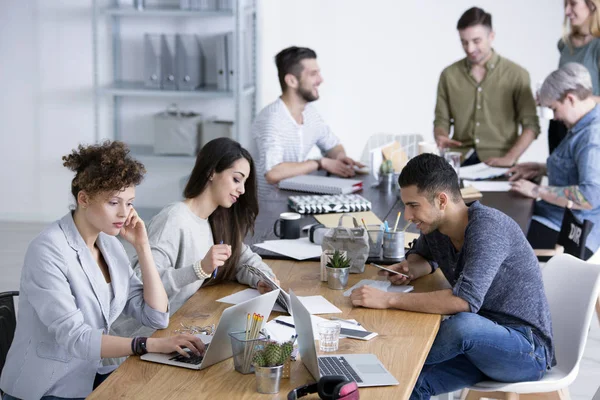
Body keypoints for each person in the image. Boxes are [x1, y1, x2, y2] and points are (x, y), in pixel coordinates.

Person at [0, 141, 205, 400]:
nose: (124, 213)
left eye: (129, 203)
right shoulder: (47, 250)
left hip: (91, 375)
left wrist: (142, 247)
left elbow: (156, 317)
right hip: (49, 389)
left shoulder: (109, 244)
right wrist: (148, 344)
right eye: (113, 202)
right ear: (83, 199)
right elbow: (76, 338)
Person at [350, 154, 554, 400]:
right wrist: (412, 267)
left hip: (525, 350)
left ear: (442, 200)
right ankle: (389, 362)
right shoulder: (437, 226)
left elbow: (463, 302)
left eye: (413, 205)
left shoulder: (487, 229)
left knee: (460, 325)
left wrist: (387, 299)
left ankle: (391, 356)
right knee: (407, 382)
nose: (407, 215)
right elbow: (423, 255)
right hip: (474, 348)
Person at [111, 138, 279, 340]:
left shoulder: (216, 221)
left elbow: (244, 261)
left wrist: (264, 279)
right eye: (236, 179)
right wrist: (199, 269)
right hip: (135, 341)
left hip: (173, 331)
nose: (242, 190)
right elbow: (142, 284)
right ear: (211, 172)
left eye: (244, 182)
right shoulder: (174, 218)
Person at [510, 62, 600, 258]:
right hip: (556, 216)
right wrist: (542, 169)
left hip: (572, 231)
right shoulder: (582, 122)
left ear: (570, 99)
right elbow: (576, 167)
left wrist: (536, 190)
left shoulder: (592, 137)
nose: (555, 117)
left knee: (499, 239)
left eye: (554, 108)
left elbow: (590, 195)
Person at [434, 7, 540, 167]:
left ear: (491, 36)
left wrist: (510, 158)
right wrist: (441, 136)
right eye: (464, 42)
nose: (470, 49)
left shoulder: (517, 75)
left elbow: (531, 125)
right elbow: (441, 120)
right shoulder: (448, 75)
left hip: (500, 163)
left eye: (476, 41)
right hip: (460, 163)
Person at [251, 46, 363, 192]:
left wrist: (339, 158)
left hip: (294, 199)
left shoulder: (310, 113)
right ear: (291, 81)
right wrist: (319, 163)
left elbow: (332, 145)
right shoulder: (272, 120)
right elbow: (273, 173)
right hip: (269, 208)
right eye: (313, 74)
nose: (320, 80)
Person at [549, 0, 600, 153]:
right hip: (560, 128)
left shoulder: (597, 46)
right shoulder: (564, 44)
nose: (567, 12)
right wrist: (550, 97)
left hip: (588, 132)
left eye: (573, 4)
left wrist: (577, 101)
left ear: (592, 5)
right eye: (565, 5)